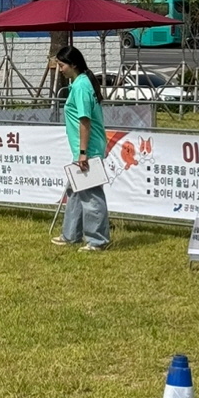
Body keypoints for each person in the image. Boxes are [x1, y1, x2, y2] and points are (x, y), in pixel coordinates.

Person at [52, 43, 110, 251]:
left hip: (89, 149)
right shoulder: (80, 84)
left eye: (61, 65)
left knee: (91, 195)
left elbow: (85, 121)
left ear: (73, 64)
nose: (60, 69)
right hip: (82, 148)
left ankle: (98, 240)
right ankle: (71, 235)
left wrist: (83, 153)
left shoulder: (81, 86)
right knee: (76, 191)